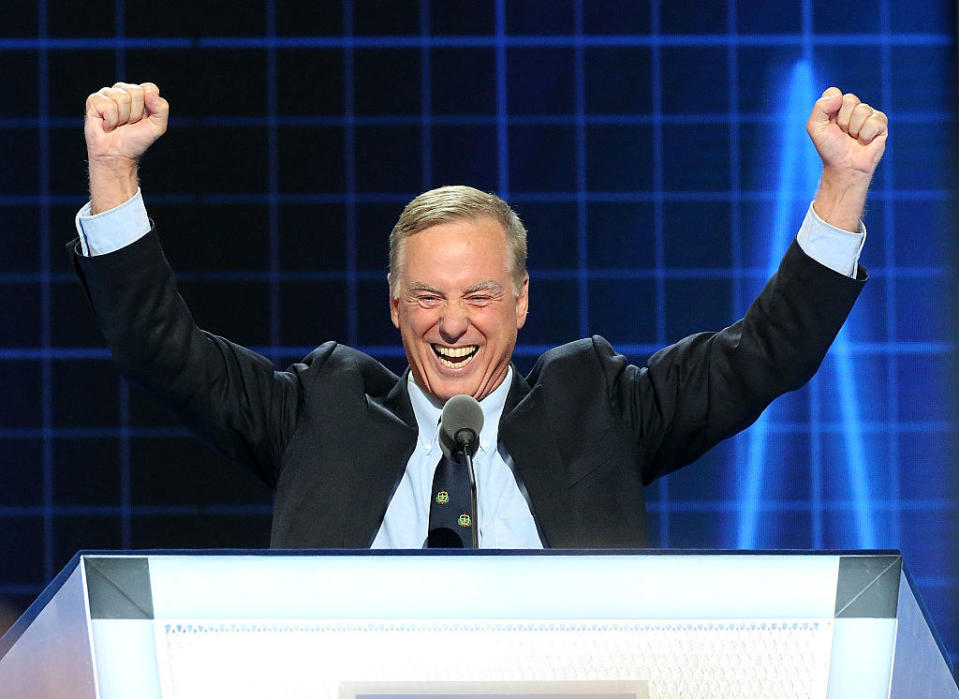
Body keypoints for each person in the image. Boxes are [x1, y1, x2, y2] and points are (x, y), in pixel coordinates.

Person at [72, 82, 887, 549]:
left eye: (478, 295)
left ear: (521, 301)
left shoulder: (599, 404)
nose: (452, 322)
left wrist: (841, 187)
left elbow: (764, 354)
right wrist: (112, 172)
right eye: (427, 296)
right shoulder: (317, 408)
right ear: (395, 305)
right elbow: (157, 347)